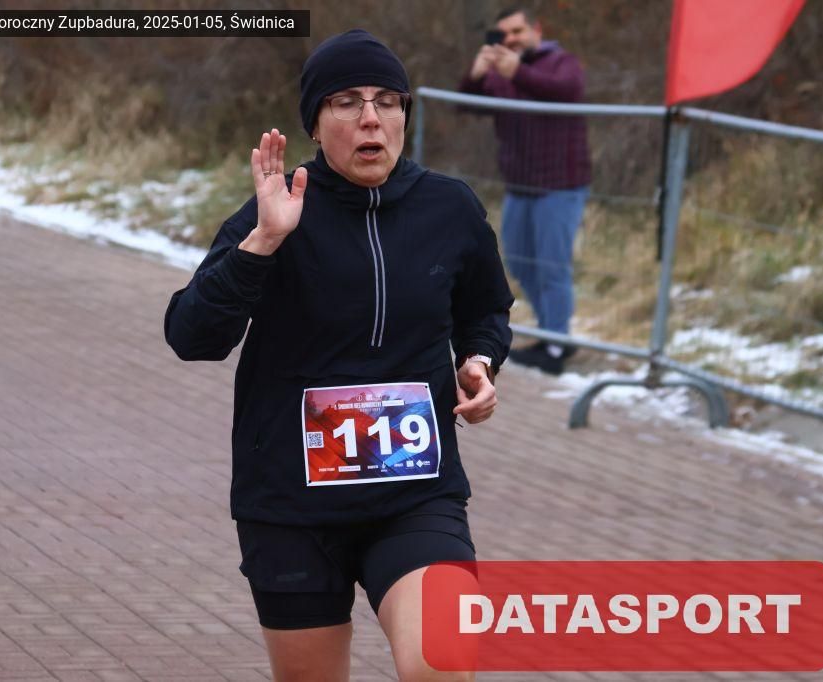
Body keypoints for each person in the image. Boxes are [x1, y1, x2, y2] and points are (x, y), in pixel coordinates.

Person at [165, 29, 513, 682]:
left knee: (442, 662)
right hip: (291, 504)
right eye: (347, 101)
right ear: (315, 124)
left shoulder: (450, 208)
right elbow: (192, 336)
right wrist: (264, 242)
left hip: (414, 496)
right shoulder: (277, 214)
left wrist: (479, 361)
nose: (371, 118)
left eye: (388, 100)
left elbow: (486, 311)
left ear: (405, 114)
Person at [460, 6, 591, 375]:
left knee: (552, 267)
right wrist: (477, 72)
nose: (511, 39)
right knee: (518, 262)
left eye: (517, 31)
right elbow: (467, 103)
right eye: (504, 34)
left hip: (560, 184)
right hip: (519, 184)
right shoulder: (501, 70)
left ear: (537, 29)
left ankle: (555, 345)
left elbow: (565, 90)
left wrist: (516, 70)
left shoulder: (561, 62)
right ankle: (551, 333)